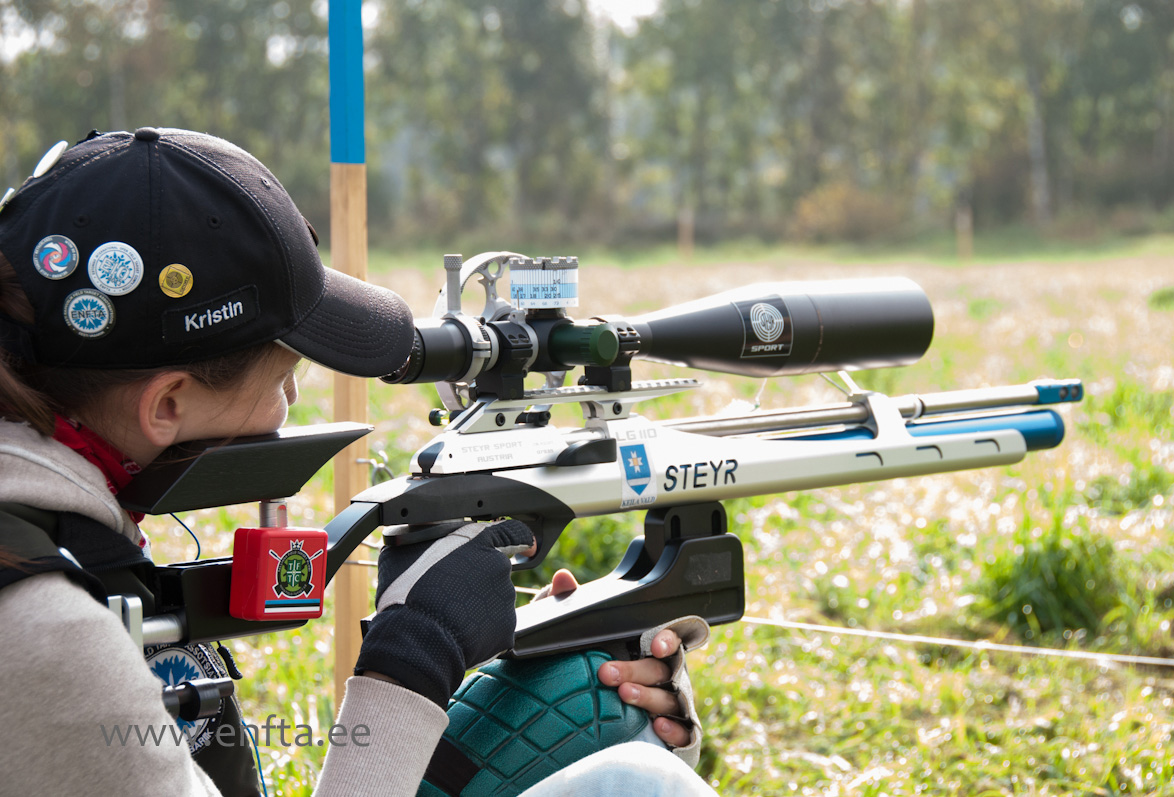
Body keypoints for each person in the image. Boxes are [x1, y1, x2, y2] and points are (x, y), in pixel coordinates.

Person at [0, 128, 716, 796]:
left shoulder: (48, 534)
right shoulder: (47, 634)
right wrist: (408, 665)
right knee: (642, 785)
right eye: (284, 379)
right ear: (167, 405)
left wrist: (572, 702)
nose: (288, 402)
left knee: (597, 719)